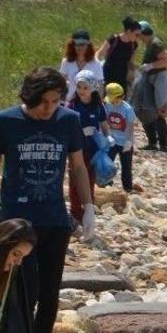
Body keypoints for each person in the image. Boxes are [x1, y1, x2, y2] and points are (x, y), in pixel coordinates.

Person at [0, 66, 96, 333]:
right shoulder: (6, 121)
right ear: (30, 97)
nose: (49, 108)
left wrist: (88, 207)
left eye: (56, 101)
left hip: (54, 219)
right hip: (18, 221)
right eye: (44, 102)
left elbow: (78, 167)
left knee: (50, 294)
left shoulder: (68, 120)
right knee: (24, 292)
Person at [65, 70, 111, 221]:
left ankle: (88, 209)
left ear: (92, 88)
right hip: (76, 149)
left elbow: (104, 125)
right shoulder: (72, 106)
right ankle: (75, 211)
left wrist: (108, 137)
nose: (81, 91)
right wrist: (81, 132)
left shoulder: (98, 105)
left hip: (93, 149)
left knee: (90, 179)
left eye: (85, 87)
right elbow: (67, 128)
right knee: (74, 180)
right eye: (79, 87)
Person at [135, 20, 167, 153]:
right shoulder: (150, 44)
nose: (138, 38)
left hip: (158, 79)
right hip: (150, 80)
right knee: (146, 109)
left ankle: (163, 145)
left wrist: (150, 66)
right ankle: (152, 142)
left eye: (139, 35)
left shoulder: (156, 43)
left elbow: (166, 60)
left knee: (159, 111)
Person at [96, 16, 142, 98]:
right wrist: (96, 66)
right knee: (106, 98)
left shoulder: (133, 45)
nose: (138, 38)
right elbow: (99, 53)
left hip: (122, 76)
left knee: (121, 100)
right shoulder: (113, 40)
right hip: (108, 75)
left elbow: (131, 62)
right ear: (129, 31)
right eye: (137, 34)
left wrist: (133, 73)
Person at [104, 82, 136, 193]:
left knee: (126, 166)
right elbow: (105, 122)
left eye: (115, 100)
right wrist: (108, 136)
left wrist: (129, 141)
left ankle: (128, 188)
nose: (113, 102)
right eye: (111, 100)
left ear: (122, 97)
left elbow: (130, 126)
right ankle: (107, 185)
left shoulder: (127, 109)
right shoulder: (107, 105)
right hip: (112, 141)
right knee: (108, 164)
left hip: (125, 142)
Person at [60, 29, 104, 102]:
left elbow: (100, 86)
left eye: (83, 45)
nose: (80, 48)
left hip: (89, 103)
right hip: (70, 102)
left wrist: (99, 102)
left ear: (88, 46)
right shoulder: (66, 62)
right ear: (72, 45)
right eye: (77, 45)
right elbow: (61, 83)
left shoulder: (96, 63)